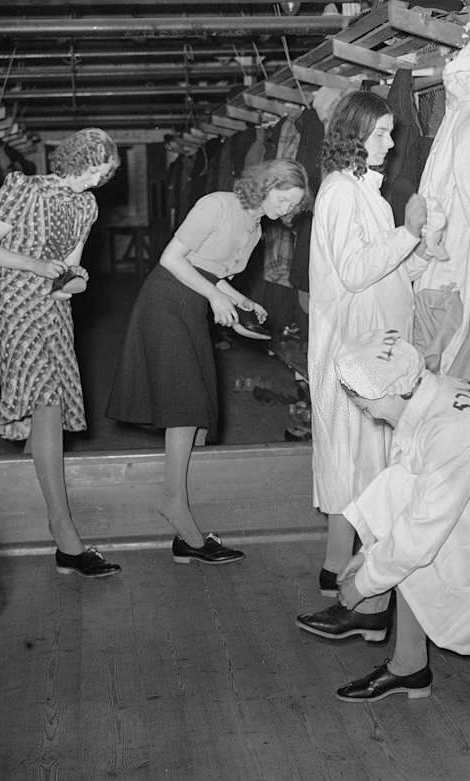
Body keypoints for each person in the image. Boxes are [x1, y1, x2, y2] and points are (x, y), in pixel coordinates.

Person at [299, 329, 470, 702]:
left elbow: (423, 528)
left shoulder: (450, 429)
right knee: (396, 489)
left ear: (392, 389)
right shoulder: (432, 391)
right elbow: (411, 479)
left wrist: (365, 581)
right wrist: (366, 556)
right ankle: (379, 618)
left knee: (421, 547)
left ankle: (406, 663)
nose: (357, 406)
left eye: (360, 397)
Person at [106, 158, 309, 564]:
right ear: (265, 185)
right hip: (166, 300)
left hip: (192, 303)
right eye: (283, 197)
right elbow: (172, 258)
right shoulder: (217, 204)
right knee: (186, 405)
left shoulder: (256, 228)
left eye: (293, 204)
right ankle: (175, 507)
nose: (286, 209)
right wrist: (218, 296)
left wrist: (240, 299)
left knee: (199, 408)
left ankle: (183, 520)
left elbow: (216, 274)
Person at [0, 128, 121, 579]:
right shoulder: (24, 188)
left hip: (52, 311)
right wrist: (37, 266)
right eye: (96, 168)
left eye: (106, 173)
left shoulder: (86, 206)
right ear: (77, 160)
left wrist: (74, 281)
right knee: (47, 400)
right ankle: (64, 531)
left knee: (49, 401)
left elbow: (70, 268)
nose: (99, 179)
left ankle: (53, 526)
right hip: (17, 301)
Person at [307, 90, 430, 604]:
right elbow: (356, 272)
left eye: (390, 132)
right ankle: (341, 570)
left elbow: (382, 265)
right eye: (380, 133)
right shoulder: (339, 192)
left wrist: (422, 252)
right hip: (350, 348)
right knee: (348, 458)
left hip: (370, 345)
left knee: (360, 459)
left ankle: (342, 568)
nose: (390, 142)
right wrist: (408, 234)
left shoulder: (366, 192)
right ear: (353, 135)